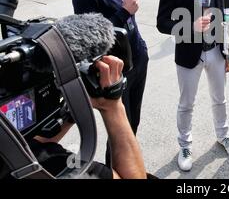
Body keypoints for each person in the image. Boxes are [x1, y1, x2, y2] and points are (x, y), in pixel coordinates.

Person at [156, 0, 229, 172]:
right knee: (186, 103)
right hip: (189, 53)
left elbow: (227, 13)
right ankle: (185, 145)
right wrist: (188, 25)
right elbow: (162, 23)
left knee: (220, 98)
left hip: (216, 49)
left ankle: (223, 135)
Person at [72, 0, 149, 161]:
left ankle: (128, 169)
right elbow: (91, 40)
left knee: (132, 123)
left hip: (137, 58)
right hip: (114, 69)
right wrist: (124, 12)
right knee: (119, 130)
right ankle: (113, 170)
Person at [4, 56, 147, 179]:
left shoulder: (9, 154)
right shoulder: (63, 169)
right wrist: (113, 106)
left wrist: (74, 108)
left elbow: (29, 146)